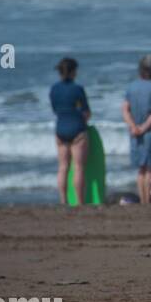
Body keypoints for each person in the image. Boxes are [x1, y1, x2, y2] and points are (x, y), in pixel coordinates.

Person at [122, 54, 151, 204]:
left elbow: (125, 109)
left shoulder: (131, 87)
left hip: (135, 132)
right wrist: (143, 128)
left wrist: (134, 127)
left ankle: (143, 201)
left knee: (141, 169)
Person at [50, 57, 91, 205]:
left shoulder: (54, 89)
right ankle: (80, 202)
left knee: (63, 167)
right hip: (77, 129)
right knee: (79, 167)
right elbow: (86, 112)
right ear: (74, 72)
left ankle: (63, 201)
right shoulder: (77, 89)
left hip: (60, 129)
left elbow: (55, 109)